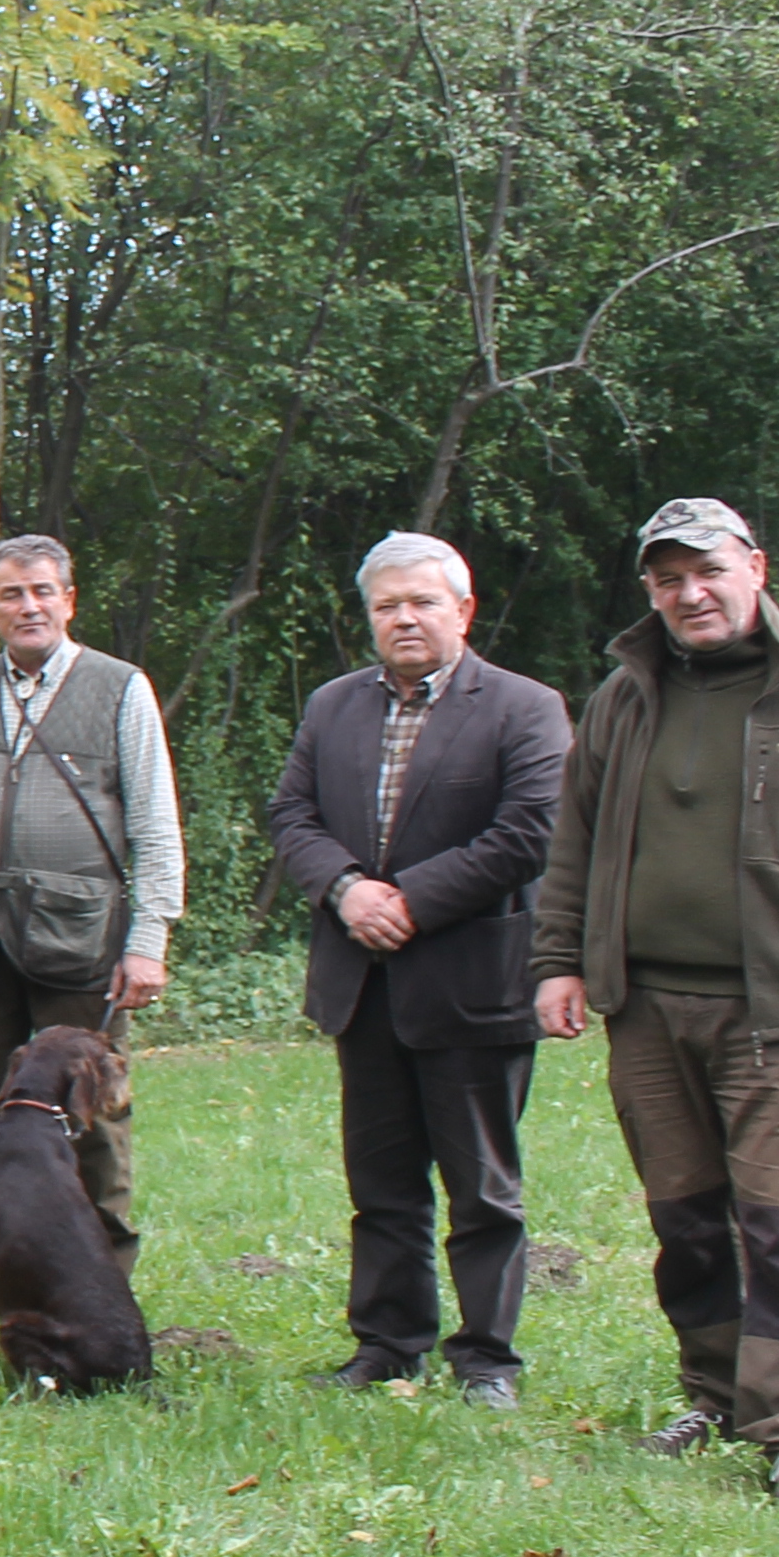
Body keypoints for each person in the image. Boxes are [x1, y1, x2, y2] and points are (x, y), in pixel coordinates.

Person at [533, 498, 779, 1507]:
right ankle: (720, 1393)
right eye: (667, 578)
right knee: (687, 1218)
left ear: (755, 568)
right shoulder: (625, 696)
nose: (690, 593)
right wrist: (559, 959)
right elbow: (579, 840)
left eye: (708, 571)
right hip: (647, 1009)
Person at [263, 533, 568, 1406]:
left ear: (463, 611)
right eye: (387, 605)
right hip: (365, 985)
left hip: (475, 983)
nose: (405, 618)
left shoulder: (525, 707)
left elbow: (531, 830)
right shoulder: (334, 707)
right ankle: (389, 1345)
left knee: (482, 1188)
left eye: (423, 602)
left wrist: (411, 900)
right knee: (382, 1185)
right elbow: (291, 812)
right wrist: (348, 890)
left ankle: (487, 1362)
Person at [0, 534, 183, 1282]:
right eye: (13, 594)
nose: (31, 606)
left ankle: (100, 1272)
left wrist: (148, 937)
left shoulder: (122, 687)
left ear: (69, 600)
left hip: (84, 941)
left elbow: (156, 822)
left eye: (44, 591)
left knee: (90, 1121)